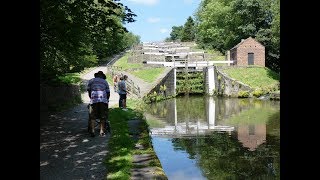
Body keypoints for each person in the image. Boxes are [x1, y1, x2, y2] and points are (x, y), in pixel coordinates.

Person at [87, 71, 110, 137]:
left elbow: (89, 90)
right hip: (103, 99)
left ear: (96, 75)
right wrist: (107, 100)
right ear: (102, 76)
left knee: (92, 116)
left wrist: (91, 98)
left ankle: (93, 131)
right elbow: (108, 92)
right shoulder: (105, 81)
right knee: (102, 116)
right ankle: (101, 131)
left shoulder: (91, 80)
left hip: (94, 99)